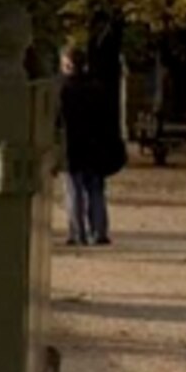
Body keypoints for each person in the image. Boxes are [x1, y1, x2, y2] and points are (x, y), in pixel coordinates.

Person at [56, 47, 125, 247]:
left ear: (67, 64)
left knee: (74, 190)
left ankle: (78, 233)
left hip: (71, 146)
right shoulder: (97, 87)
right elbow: (108, 119)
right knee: (96, 190)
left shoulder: (62, 89)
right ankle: (99, 231)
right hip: (95, 146)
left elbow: (56, 121)